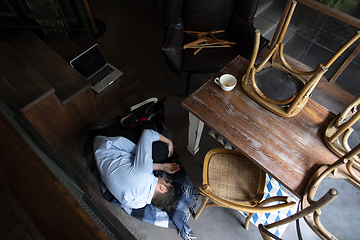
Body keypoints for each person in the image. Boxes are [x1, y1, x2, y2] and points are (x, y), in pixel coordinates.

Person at [93, 98, 180, 211]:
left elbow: (147, 134)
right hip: (104, 155)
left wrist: (169, 142)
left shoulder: (144, 173)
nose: (163, 178)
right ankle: (131, 121)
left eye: (166, 182)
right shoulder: (138, 204)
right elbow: (137, 168)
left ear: (163, 189)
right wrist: (161, 166)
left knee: (160, 150)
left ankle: (138, 116)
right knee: (152, 154)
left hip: (107, 142)